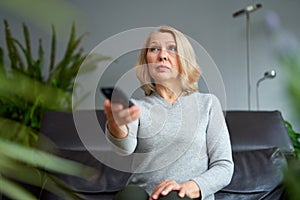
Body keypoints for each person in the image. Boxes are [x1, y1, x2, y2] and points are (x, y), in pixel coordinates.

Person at [103, 25, 234, 200]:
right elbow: (125, 148)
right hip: (142, 196)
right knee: (129, 195)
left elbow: (224, 166)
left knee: (174, 197)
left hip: (185, 196)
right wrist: (115, 122)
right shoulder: (136, 107)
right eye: (154, 49)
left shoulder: (208, 104)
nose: (162, 56)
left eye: (172, 48)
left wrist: (188, 187)